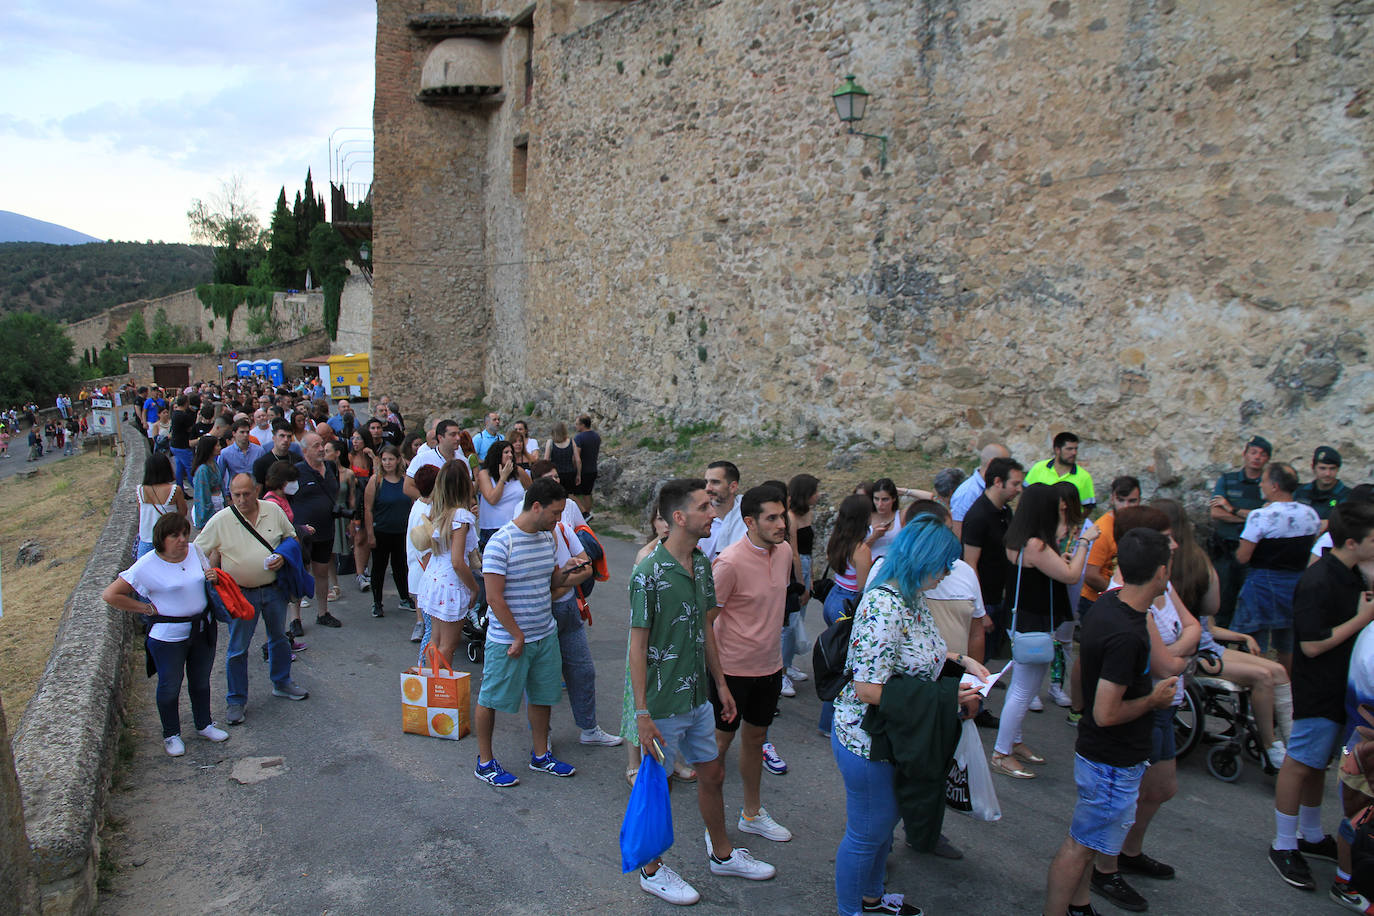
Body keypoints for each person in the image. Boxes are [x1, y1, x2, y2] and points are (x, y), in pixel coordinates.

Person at [628, 478, 776, 905]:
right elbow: (637, 647)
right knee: (657, 788)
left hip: (697, 699)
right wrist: (641, 714)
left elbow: (706, 629)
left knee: (713, 773)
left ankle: (723, 854)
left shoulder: (701, 563)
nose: (713, 513)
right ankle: (651, 870)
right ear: (679, 517)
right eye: (704, 507)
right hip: (662, 703)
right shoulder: (648, 574)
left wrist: (722, 686)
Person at [831, 514, 985, 916]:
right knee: (868, 832)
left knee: (880, 829)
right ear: (923, 559)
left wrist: (961, 660)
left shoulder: (910, 596)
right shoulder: (884, 605)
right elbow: (868, 688)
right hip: (866, 738)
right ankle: (852, 910)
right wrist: (944, 700)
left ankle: (872, 899)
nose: (949, 572)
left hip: (889, 735)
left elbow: (915, 652)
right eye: (944, 564)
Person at [1043, 528, 1181, 916]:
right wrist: (1153, 699)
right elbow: (1106, 713)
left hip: (1102, 755)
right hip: (1111, 761)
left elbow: (1086, 682)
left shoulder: (1107, 604)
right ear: (1160, 572)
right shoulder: (1129, 635)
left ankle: (1079, 905)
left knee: (1090, 840)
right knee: (1081, 845)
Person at [1086, 506, 1199, 912]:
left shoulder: (1160, 583)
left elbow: (1195, 627)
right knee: (1124, 794)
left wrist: (1178, 651)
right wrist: (1183, 655)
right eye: (1166, 536)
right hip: (1147, 703)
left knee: (1161, 787)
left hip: (1165, 702)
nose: (1174, 543)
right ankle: (1106, 867)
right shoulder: (1131, 594)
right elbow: (1166, 662)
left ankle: (1127, 854)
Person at [1268, 501, 1374, 893]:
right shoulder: (1318, 581)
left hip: (1340, 691)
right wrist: (1362, 620)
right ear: (1351, 542)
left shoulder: (1349, 573)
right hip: (1317, 690)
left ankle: (1310, 834)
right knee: (1300, 763)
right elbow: (1311, 646)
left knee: (1318, 764)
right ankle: (1283, 843)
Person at [1155, 498, 1293, 767]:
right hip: (1198, 648)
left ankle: (1289, 743)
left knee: (1277, 672)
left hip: (1199, 644)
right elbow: (1211, 609)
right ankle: (1272, 745)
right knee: (1268, 674)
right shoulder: (1200, 561)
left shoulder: (1162, 569)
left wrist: (1240, 636)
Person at [473, 477, 583, 787]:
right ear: (536, 507)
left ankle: (540, 755)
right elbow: (493, 597)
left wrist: (569, 572)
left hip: (544, 634)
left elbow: (548, 583)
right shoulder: (500, 543)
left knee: (542, 696)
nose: (559, 520)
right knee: (490, 698)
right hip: (508, 641)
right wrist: (517, 635)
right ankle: (484, 761)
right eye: (555, 513)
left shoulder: (548, 538)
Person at [991, 483, 1099, 779]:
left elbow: (1047, 570)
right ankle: (1002, 752)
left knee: (1021, 687)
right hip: (1033, 621)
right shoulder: (1036, 544)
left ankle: (1013, 741)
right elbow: (1072, 575)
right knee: (1025, 689)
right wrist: (1086, 542)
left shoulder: (1019, 538)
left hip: (1022, 618)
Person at [708, 485, 795, 844]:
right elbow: (705, 621)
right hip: (731, 672)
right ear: (750, 521)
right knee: (717, 748)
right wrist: (721, 682)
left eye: (782, 516)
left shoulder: (786, 551)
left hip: (770, 669)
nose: (781, 524)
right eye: (771, 518)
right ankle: (713, 827)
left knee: (756, 739)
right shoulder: (729, 562)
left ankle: (752, 813)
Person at [102, 513, 228, 756]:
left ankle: (204, 724)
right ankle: (171, 734)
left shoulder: (195, 551)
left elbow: (203, 578)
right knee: (170, 685)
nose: (182, 539)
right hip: (168, 637)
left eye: (184, 533)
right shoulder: (146, 565)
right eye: (175, 535)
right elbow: (111, 595)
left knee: (201, 680)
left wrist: (212, 576)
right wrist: (145, 608)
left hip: (201, 629)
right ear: (162, 539)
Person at [195, 473, 309, 726]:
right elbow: (197, 550)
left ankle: (282, 682)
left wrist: (282, 555)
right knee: (237, 648)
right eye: (236, 495)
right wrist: (209, 574)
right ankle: (236, 700)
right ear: (230, 495)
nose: (242, 499)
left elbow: (291, 538)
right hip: (240, 593)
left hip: (273, 588)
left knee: (279, 638)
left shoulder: (273, 510)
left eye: (247, 494)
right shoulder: (221, 520)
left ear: (256, 490)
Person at [532, 460, 621, 748]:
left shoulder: (562, 527)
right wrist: (564, 578)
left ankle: (589, 728)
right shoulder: (522, 536)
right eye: (556, 512)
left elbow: (586, 566)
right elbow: (533, 586)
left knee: (583, 670)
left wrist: (558, 583)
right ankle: (541, 735)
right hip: (542, 615)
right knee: (542, 678)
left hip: (568, 609)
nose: (560, 517)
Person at [1231, 462, 1320, 674]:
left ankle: (1259, 687)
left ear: (1274, 486)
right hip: (1296, 584)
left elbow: (1243, 557)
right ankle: (1285, 690)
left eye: (1264, 480)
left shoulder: (1261, 516)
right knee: (1287, 644)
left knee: (1255, 642)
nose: (1260, 484)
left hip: (1263, 583)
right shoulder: (1310, 514)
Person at [818, 494, 880, 736]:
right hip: (848, 603)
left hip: (833, 597)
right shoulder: (861, 549)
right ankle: (828, 723)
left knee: (836, 658)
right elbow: (864, 587)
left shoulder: (838, 540)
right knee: (843, 667)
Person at [960, 456, 1025, 671]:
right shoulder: (978, 516)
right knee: (978, 654)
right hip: (985, 600)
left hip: (1000, 596)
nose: (1018, 489)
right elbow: (970, 564)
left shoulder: (1005, 512)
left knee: (991, 652)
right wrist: (981, 611)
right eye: (1015, 484)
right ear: (998, 482)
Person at [416, 460, 480, 665]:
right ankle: (441, 691)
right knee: (448, 646)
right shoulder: (461, 516)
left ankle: (430, 688)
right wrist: (474, 588)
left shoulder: (439, 512)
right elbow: (457, 561)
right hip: (451, 585)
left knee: (434, 640)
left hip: (433, 580)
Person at [1209, 435, 1272, 626]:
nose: (1257, 457)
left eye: (1262, 454)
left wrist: (1231, 508)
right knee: (1222, 602)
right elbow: (1216, 513)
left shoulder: (1268, 485)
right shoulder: (1228, 480)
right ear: (1245, 454)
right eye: (1253, 452)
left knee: (1251, 602)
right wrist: (1253, 516)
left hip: (1254, 552)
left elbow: (1269, 516)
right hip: (1225, 550)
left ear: (1267, 459)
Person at [293, 433, 342, 628]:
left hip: (325, 530)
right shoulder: (296, 472)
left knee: (322, 572)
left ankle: (323, 613)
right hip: (303, 533)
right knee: (300, 573)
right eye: (316, 446)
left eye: (322, 444)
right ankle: (295, 618)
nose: (321, 448)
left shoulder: (330, 467)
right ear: (305, 450)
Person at [364, 444, 414, 618]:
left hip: (402, 532)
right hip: (382, 531)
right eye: (384, 459)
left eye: (391, 459)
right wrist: (370, 534)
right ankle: (377, 602)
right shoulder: (376, 480)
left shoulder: (405, 479)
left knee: (401, 566)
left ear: (398, 460)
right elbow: (368, 508)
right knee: (379, 567)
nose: (387, 463)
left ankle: (405, 597)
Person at [784, 473, 821, 687]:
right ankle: (780, 671)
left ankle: (787, 665)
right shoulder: (791, 517)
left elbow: (810, 550)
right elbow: (795, 553)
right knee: (790, 621)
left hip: (806, 565)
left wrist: (812, 579)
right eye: (814, 491)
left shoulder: (808, 513)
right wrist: (802, 586)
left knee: (799, 619)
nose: (817, 495)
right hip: (796, 567)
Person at [405, 465, 439, 643]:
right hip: (423, 566)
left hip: (417, 564)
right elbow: (425, 548)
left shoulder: (419, 504)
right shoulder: (425, 511)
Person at [476, 439, 530, 552]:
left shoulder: (518, 471)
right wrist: (503, 478)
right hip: (492, 528)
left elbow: (532, 490)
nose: (510, 455)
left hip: (515, 525)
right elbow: (492, 499)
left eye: (511, 452)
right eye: (506, 452)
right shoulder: (484, 474)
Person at [949, 443, 1010, 539]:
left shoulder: (994, 487)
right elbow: (958, 533)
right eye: (1005, 465)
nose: (1008, 470)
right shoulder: (968, 493)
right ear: (991, 463)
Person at [136, 453, 188, 558]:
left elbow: (140, 511)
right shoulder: (174, 490)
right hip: (168, 539)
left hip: (146, 537)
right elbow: (182, 513)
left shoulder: (140, 490)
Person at [1294, 446, 1349, 528]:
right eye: (1322, 468)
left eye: (1332, 469)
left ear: (1338, 469)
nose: (1327, 473)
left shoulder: (1347, 496)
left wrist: (1330, 524)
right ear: (1313, 468)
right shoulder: (1300, 492)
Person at [701, 460, 745, 560]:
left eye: (715, 482)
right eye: (706, 482)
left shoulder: (747, 516)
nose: (708, 488)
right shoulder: (697, 517)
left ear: (733, 487)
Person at [217, 419, 264, 497]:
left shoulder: (259, 450)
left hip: (255, 492)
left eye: (247, 432)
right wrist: (226, 495)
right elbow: (219, 476)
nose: (245, 435)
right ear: (234, 433)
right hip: (235, 492)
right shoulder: (225, 453)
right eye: (242, 432)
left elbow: (263, 474)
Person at [252, 420, 303, 489]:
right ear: (274, 438)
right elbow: (259, 490)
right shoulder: (261, 463)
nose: (286, 440)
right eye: (282, 436)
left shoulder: (298, 459)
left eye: (289, 436)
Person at [190, 435, 222, 529]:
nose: (220, 448)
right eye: (217, 445)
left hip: (218, 503)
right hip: (210, 507)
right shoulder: (203, 470)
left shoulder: (214, 463)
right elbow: (202, 495)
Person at [571, 414, 601, 516]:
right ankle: (587, 514)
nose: (575, 426)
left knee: (569, 493)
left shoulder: (579, 438)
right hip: (592, 469)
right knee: (587, 494)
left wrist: (574, 470)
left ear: (582, 425)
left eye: (577, 424)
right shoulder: (596, 436)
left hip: (582, 470)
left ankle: (584, 512)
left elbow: (576, 456)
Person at [868, 478, 903, 562]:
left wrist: (904, 491)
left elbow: (930, 499)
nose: (880, 504)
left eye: (885, 499)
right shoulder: (866, 517)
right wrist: (874, 537)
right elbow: (855, 552)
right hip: (870, 567)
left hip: (894, 566)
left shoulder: (901, 515)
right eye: (876, 499)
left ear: (893, 498)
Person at [543, 421, 581, 493]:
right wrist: (578, 474)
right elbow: (578, 460)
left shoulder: (550, 442)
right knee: (570, 495)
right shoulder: (571, 441)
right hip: (570, 472)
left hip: (555, 474)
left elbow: (546, 461)